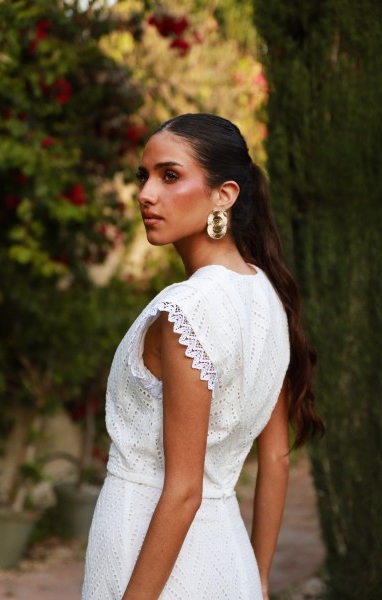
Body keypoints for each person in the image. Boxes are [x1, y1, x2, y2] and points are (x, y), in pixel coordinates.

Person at [81, 113, 324, 600]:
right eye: (144, 176)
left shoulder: (187, 310)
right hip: (229, 561)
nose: (146, 194)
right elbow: (276, 457)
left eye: (170, 176)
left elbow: (184, 490)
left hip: (146, 557)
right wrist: (257, 578)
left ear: (224, 195)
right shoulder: (266, 297)